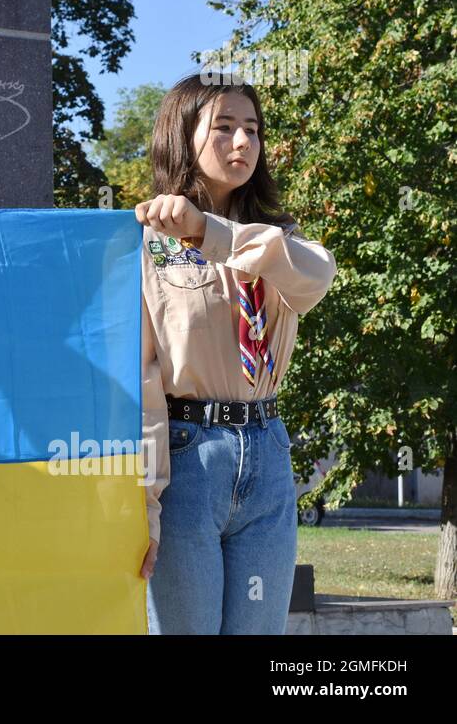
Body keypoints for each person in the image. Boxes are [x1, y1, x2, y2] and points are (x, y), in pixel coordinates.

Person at [134, 72, 337, 634]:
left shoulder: (277, 241)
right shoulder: (145, 245)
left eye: (252, 129)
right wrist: (145, 506)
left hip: (268, 452)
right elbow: (141, 382)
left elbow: (316, 279)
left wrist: (212, 233)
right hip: (185, 461)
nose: (243, 142)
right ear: (183, 135)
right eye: (223, 128)